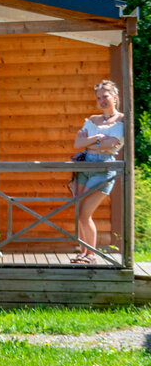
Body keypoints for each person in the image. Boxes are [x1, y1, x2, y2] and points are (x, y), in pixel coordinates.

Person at [69, 80, 124, 264]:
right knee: (79, 213)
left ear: (114, 97)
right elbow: (78, 143)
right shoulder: (92, 119)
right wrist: (100, 138)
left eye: (105, 96)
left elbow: (112, 144)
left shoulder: (122, 119)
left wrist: (91, 141)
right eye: (98, 98)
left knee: (85, 213)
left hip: (104, 169)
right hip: (85, 167)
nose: (102, 100)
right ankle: (84, 253)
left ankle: (91, 255)